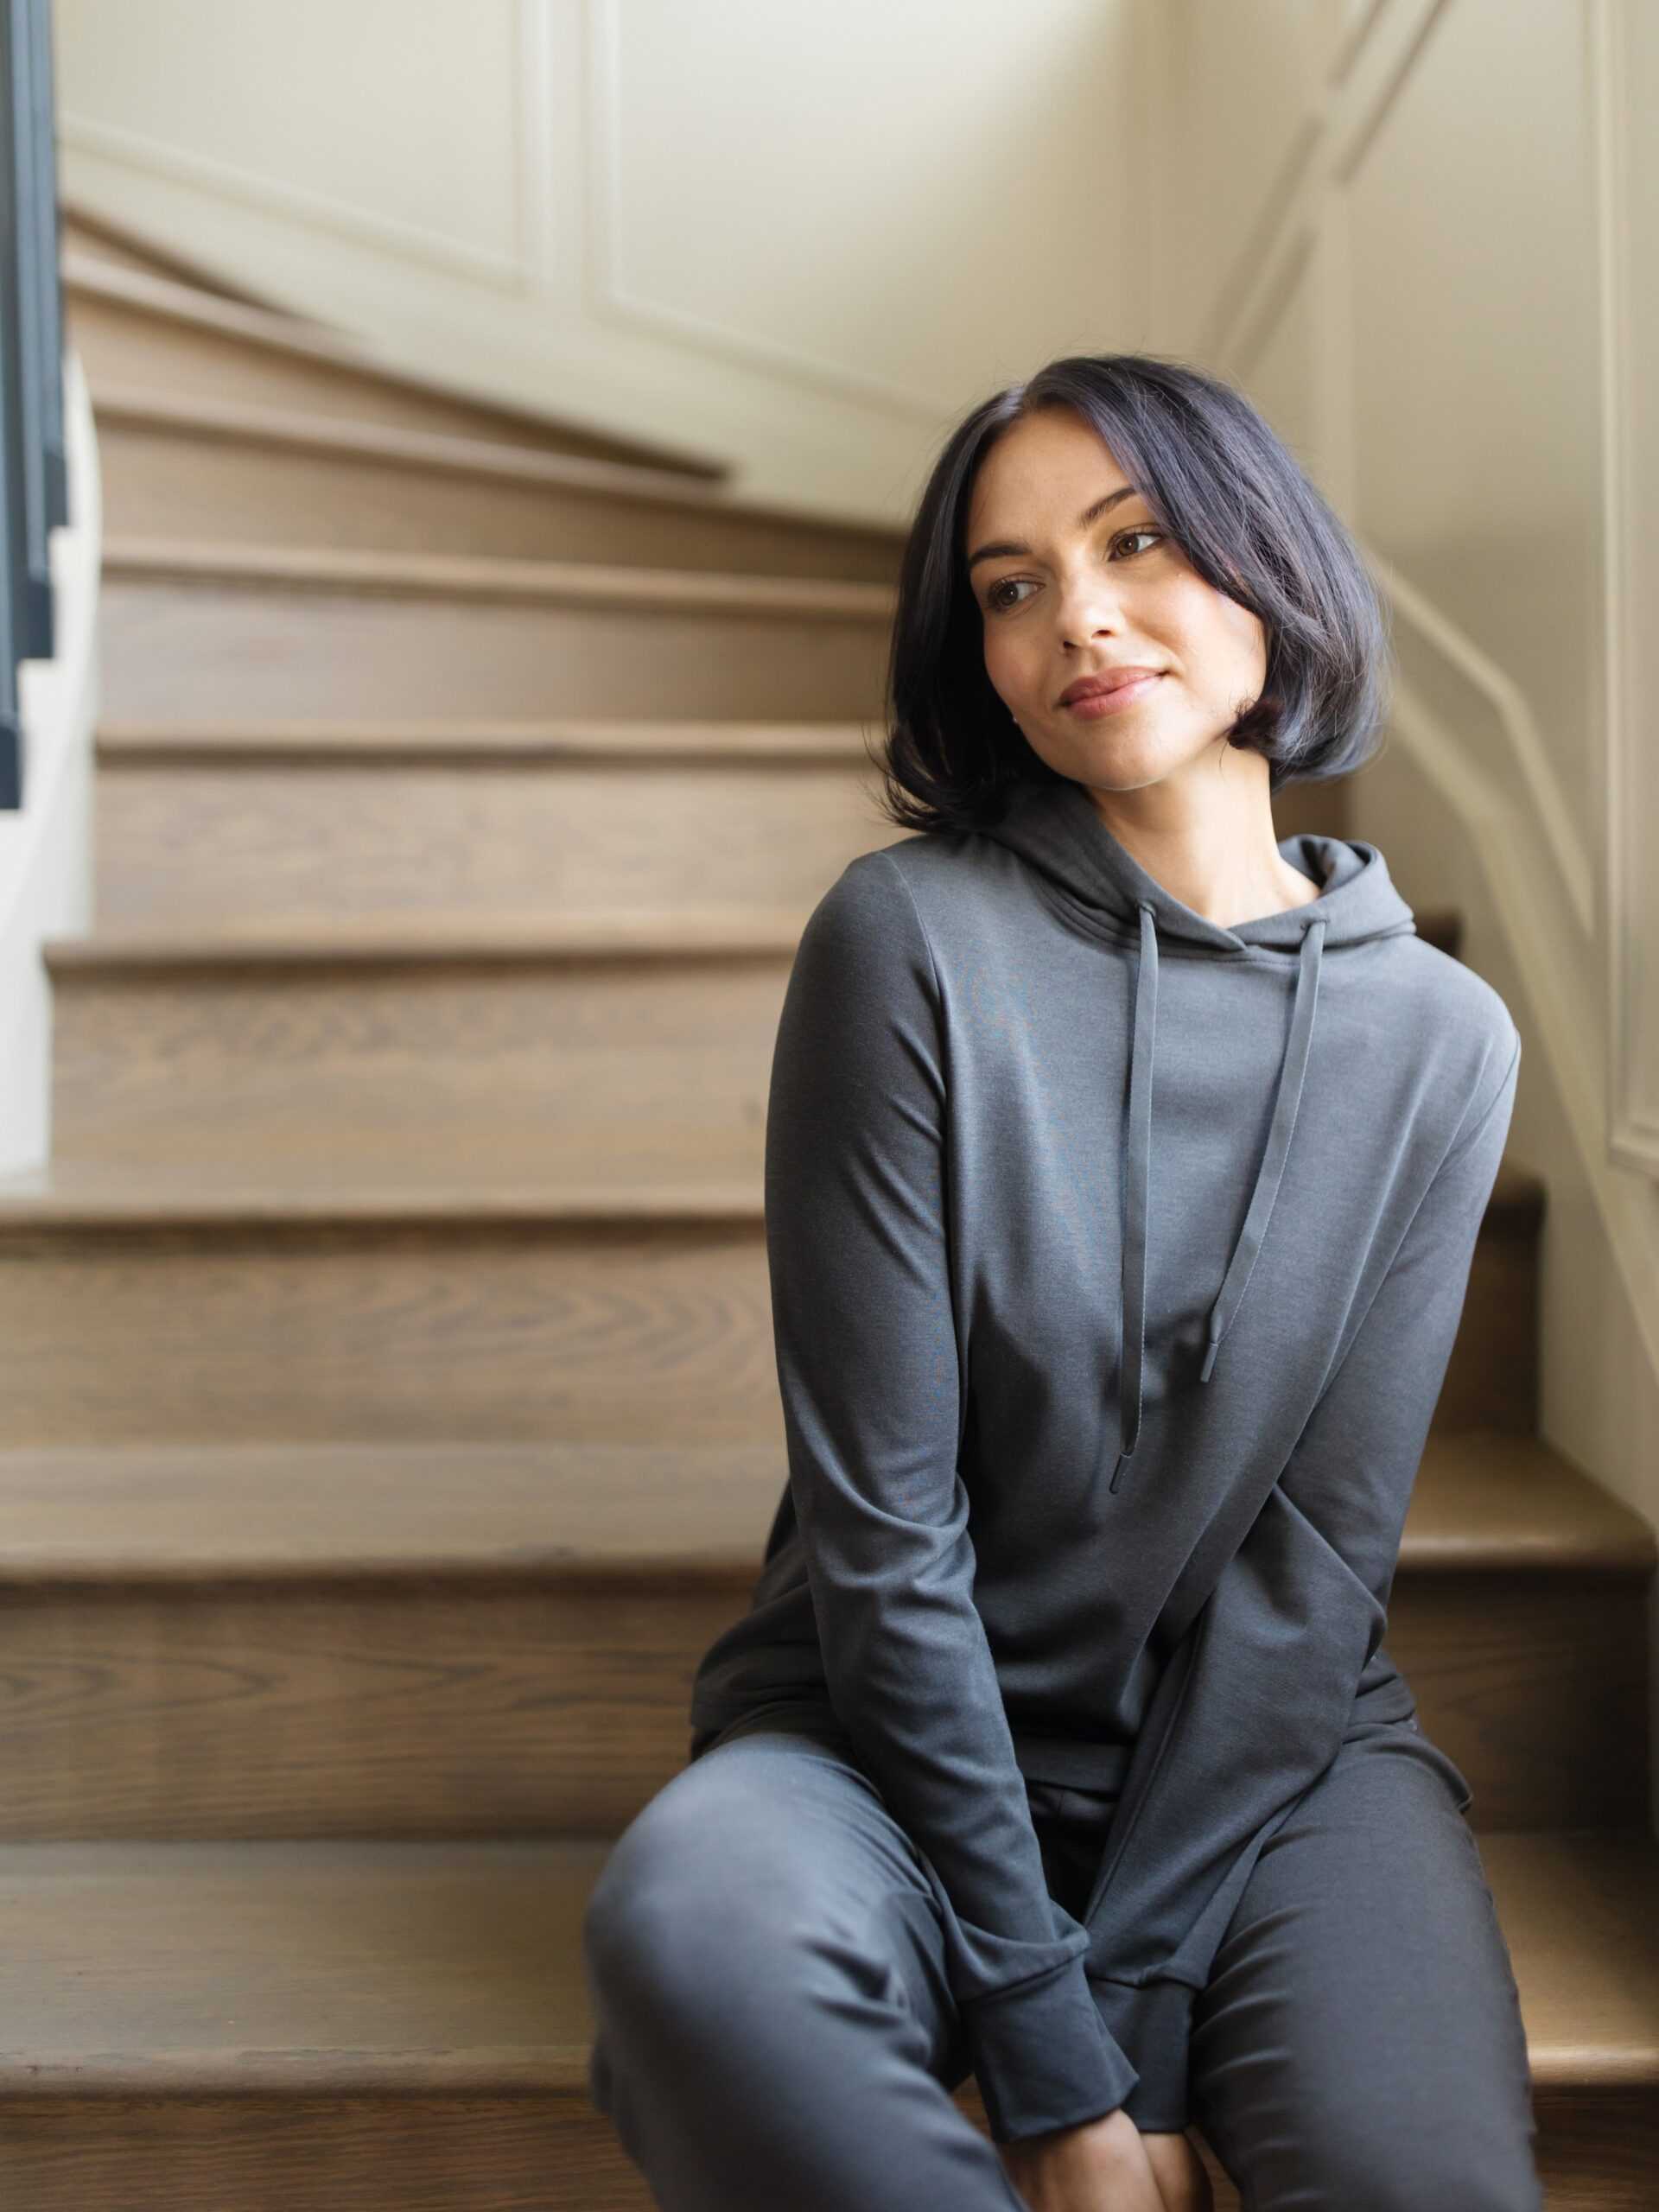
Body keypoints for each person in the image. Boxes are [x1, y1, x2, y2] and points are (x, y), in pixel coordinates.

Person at [581, 354, 1544, 2211]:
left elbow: (1314, 1562)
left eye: (1138, 540)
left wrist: (1143, 2023)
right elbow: (885, 1530)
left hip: (1268, 1770)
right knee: (690, 1938)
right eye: (1010, 585)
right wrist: (1050, 2057)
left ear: (1269, 561)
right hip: (876, 1745)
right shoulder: (910, 943)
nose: (1077, 615)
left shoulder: (1440, 1036)